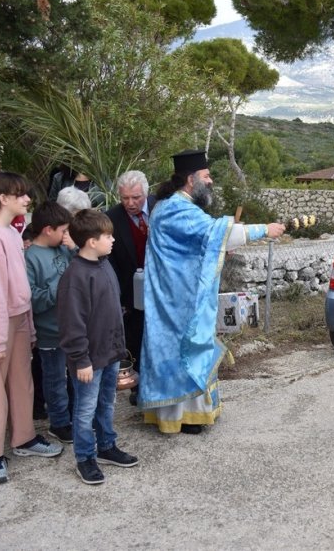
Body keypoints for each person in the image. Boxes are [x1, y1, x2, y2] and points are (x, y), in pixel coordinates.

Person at [140, 149, 285, 434]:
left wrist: (218, 253)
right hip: (177, 300)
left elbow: (193, 249)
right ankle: (181, 418)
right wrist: (264, 230)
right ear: (190, 179)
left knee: (183, 350)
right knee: (184, 351)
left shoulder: (173, 207)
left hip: (178, 294)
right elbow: (216, 233)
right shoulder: (175, 209)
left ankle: (188, 414)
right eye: (207, 176)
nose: (211, 181)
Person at [0, 171, 63, 485]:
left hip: (18, 319)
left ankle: (24, 438)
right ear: (3, 198)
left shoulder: (8, 232)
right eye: (20, 194)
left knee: (22, 380)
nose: (27, 199)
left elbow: (19, 286)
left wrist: (29, 326)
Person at [56, 209, 138, 484]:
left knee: (106, 403)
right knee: (85, 409)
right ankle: (85, 458)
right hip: (89, 360)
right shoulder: (75, 276)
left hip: (110, 353)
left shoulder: (104, 264)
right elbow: (72, 323)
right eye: (107, 236)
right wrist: (81, 360)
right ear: (91, 241)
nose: (113, 240)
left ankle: (106, 446)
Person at [25, 201, 76, 444]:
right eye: (63, 230)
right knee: (55, 380)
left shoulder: (64, 249)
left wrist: (75, 248)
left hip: (72, 328)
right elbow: (33, 299)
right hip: (49, 333)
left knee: (76, 378)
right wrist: (60, 284)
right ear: (48, 229)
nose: (66, 235)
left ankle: (74, 416)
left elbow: (83, 268)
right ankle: (59, 422)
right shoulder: (30, 258)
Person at [106, 170, 156, 407]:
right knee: (135, 339)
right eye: (125, 198)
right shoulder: (112, 219)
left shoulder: (161, 208)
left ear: (145, 193)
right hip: (129, 292)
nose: (130, 203)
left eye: (135, 198)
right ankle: (139, 388)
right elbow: (110, 262)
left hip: (161, 288)